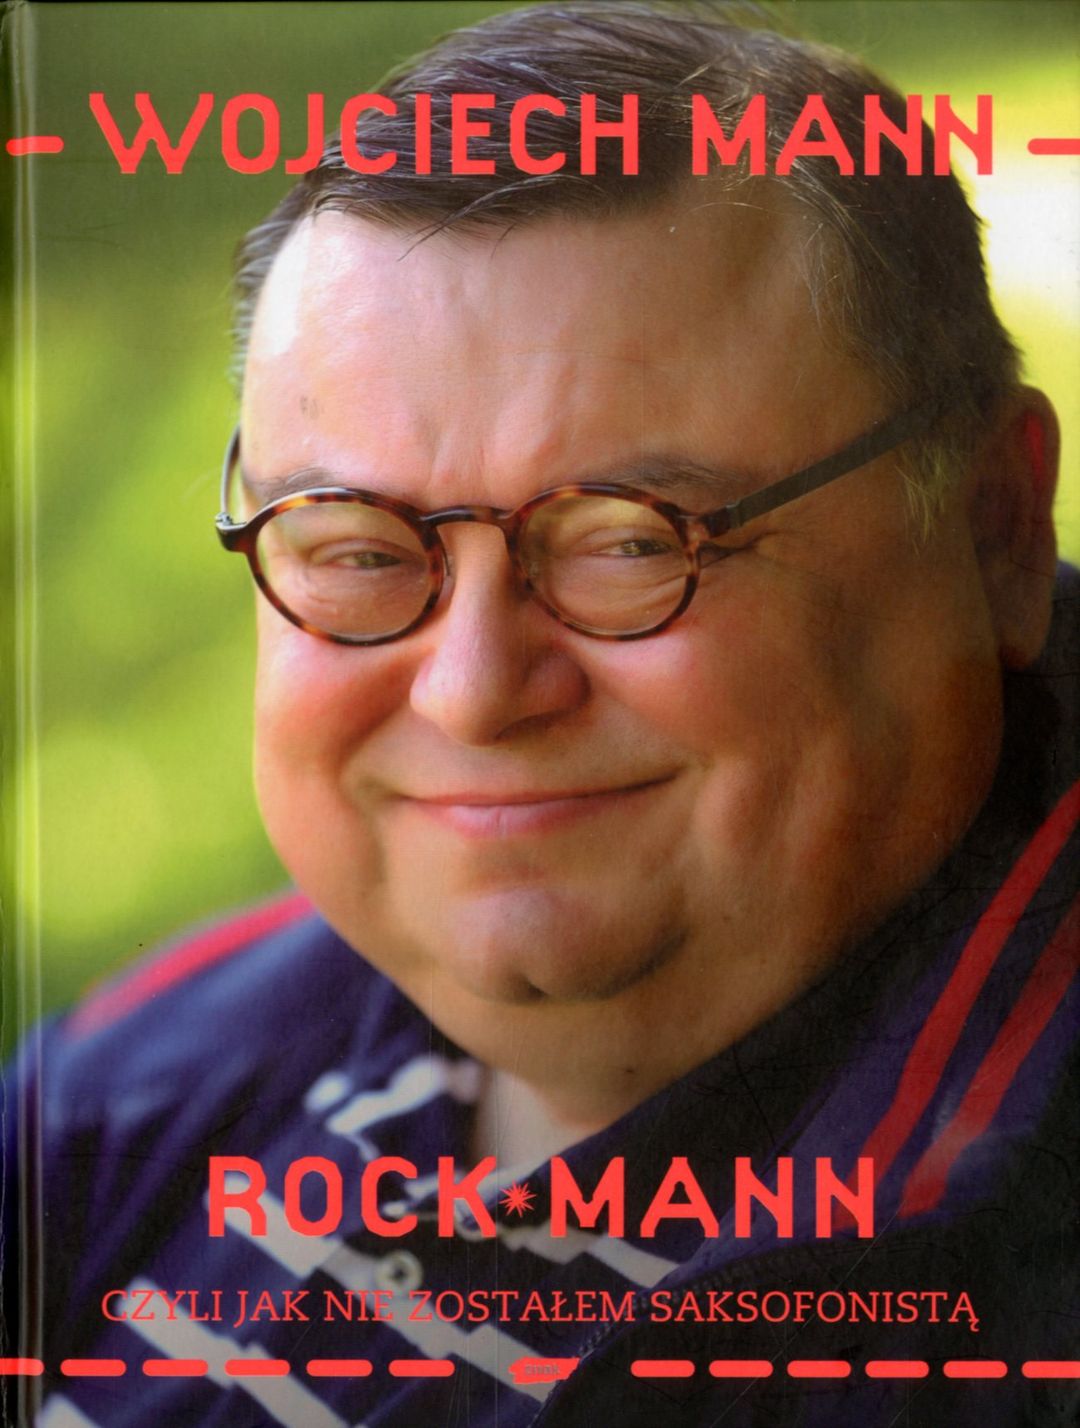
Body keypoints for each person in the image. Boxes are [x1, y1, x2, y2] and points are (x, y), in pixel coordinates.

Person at [4, 3, 1077, 1425]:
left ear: (994, 529)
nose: (472, 692)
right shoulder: (126, 1086)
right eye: (358, 550)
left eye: (631, 540)